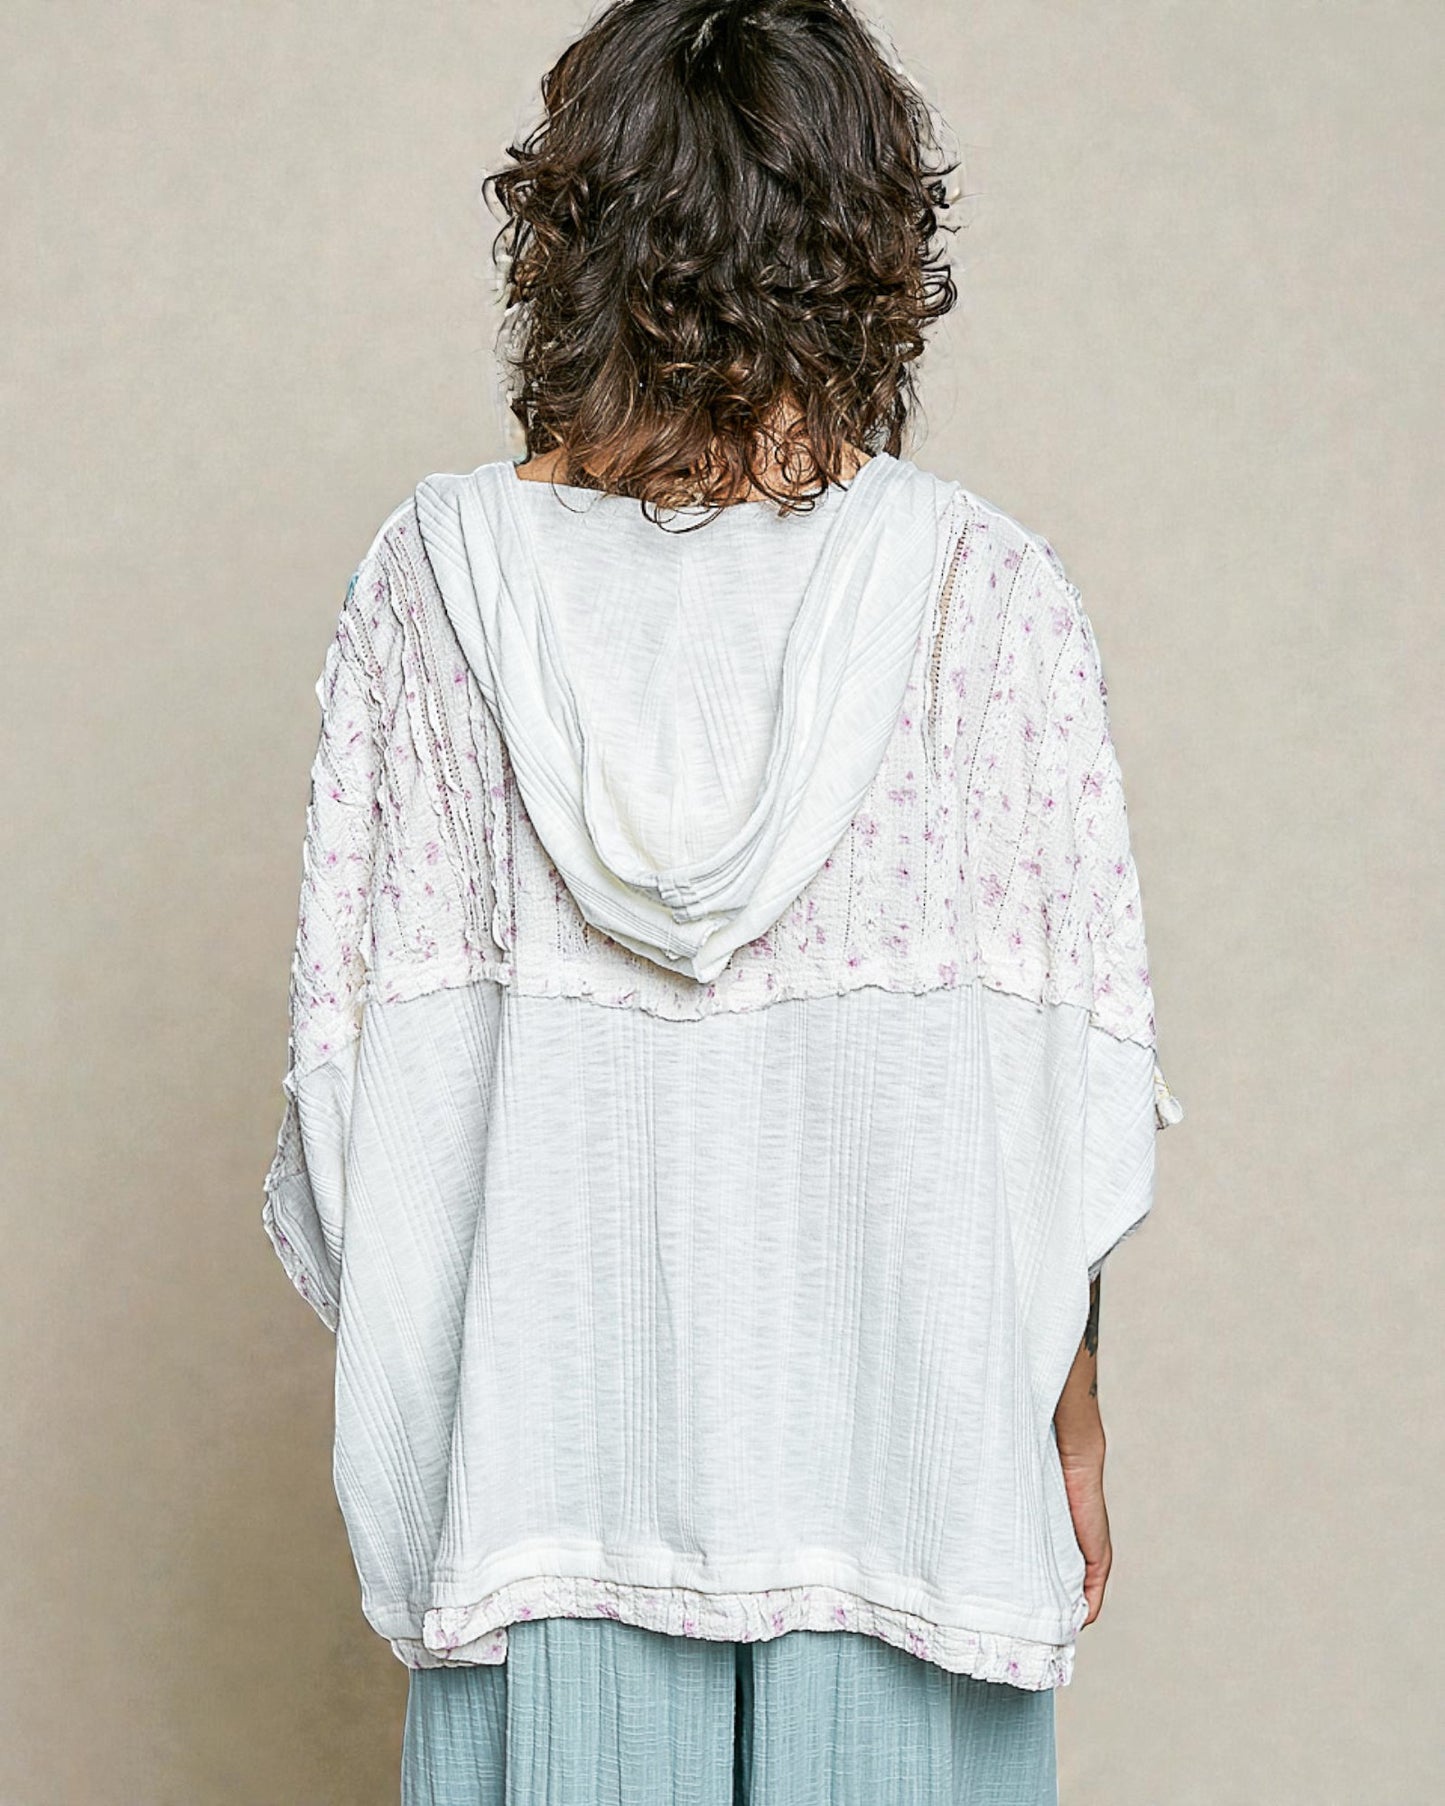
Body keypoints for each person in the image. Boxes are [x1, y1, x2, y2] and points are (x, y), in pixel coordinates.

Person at [260, 0, 1183, 1799]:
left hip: (545, 1503)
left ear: (576, 245)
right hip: (906, 1494)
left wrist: (516, 1356)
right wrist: (1062, 1418)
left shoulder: (430, 595)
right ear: (868, 253)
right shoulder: (984, 597)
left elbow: (352, 1109)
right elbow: (1064, 1110)